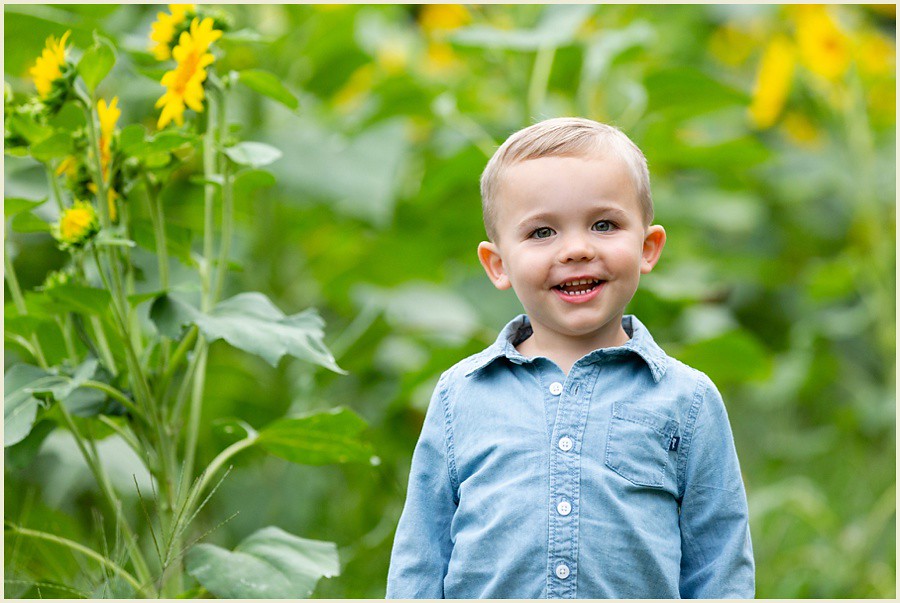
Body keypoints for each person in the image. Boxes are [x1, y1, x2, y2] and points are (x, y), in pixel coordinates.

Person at [386, 117, 755, 598]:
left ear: (647, 247)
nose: (577, 249)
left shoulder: (687, 400)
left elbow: (719, 561)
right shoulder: (462, 396)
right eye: (542, 232)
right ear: (498, 264)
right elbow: (421, 554)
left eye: (604, 225)